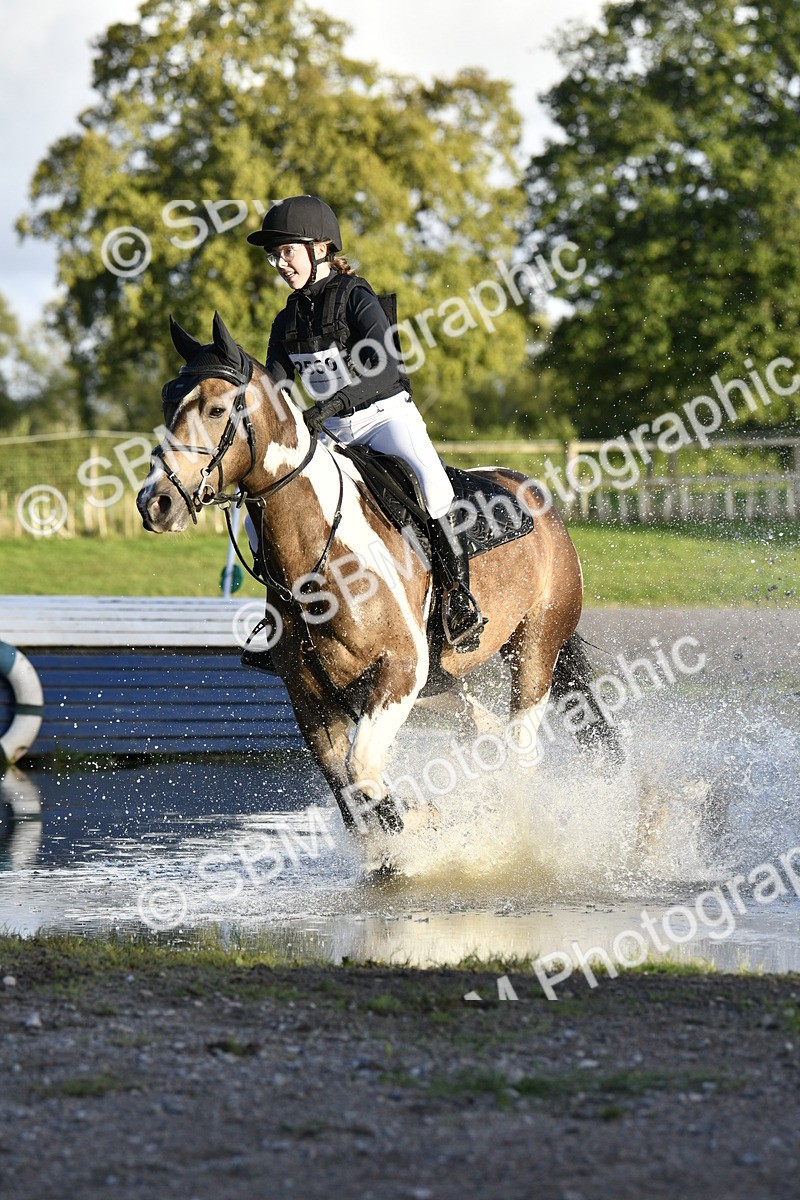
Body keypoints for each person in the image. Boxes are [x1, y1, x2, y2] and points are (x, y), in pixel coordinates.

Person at [245, 194, 486, 651]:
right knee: (262, 512)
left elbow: (386, 369)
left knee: (434, 488)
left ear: (319, 248)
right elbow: (276, 388)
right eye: (273, 255)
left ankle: (459, 599)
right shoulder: (285, 320)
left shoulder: (356, 298)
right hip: (333, 433)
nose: (279, 263)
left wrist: (329, 405)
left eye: (287, 252)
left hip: (384, 417)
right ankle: (281, 616)